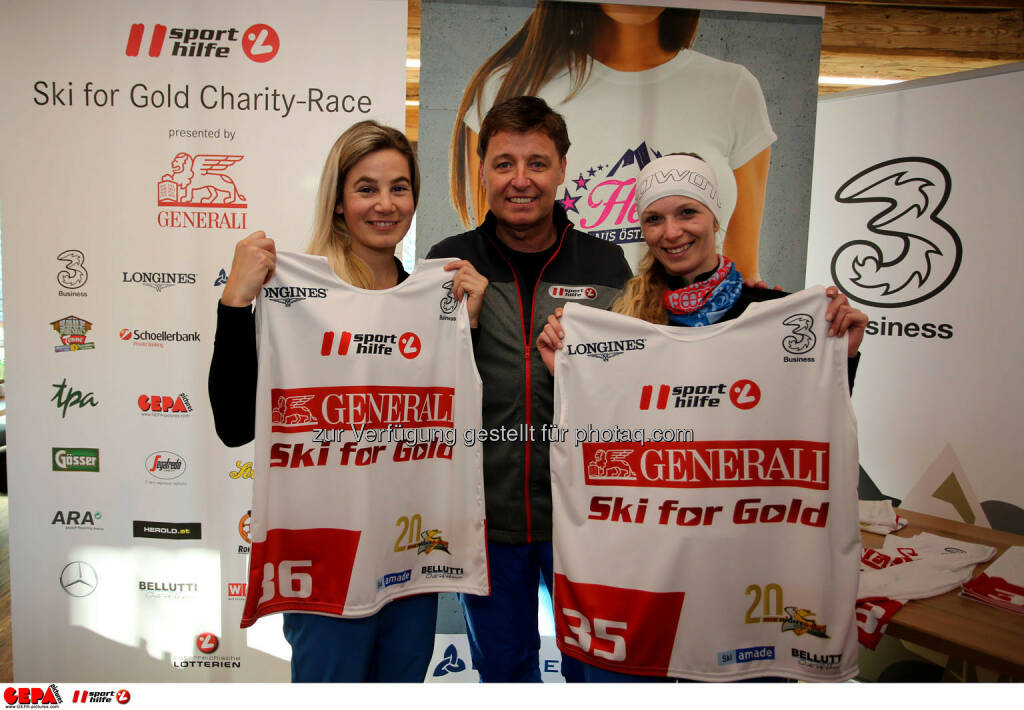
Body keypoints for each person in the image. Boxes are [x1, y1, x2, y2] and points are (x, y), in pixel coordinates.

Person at [536, 152, 867, 682]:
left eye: (687, 213)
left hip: (745, 564)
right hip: (653, 562)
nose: (672, 232)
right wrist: (568, 374)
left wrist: (842, 355)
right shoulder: (620, 323)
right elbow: (600, 438)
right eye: (654, 218)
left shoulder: (774, 313)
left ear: (716, 217)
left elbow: (809, 418)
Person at [208, 120, 487, 682]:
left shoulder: (439, 301)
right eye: (366, 188)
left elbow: (455, 430)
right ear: (338, 202)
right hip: (324, 564)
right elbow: (236, 425)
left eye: (399, 187)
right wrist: (235, 305)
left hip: (410, 554)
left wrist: (465, 330)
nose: (385, 204)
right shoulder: (296, 301)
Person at [427, 96, 633, 682]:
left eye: (537, 163)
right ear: (484, 172)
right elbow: (419, 384)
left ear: (562, 170)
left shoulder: (606, 262)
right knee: (504, 671)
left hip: (584, 518)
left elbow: (636, 388)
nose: (520, 180)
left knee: (595, 672)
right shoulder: (447, 262)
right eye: (503, 163)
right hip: (484, 518)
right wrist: (458, 324)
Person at [449, 2, 775, 280]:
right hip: (556, 345)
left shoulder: (732, 90)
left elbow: (743, 274)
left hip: (690, 342)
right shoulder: (506, 86)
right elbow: (494, 268)